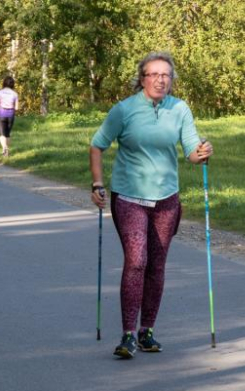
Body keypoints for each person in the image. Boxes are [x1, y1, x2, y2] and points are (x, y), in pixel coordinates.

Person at [89, 51, 213, 359]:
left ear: (172, 80)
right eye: (154, 74)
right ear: (142, 79)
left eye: (166, 75)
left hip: (166, 199)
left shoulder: (180, 109)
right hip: (129, 197)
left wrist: (204, 152)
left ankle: (147, 331)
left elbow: (191, 153)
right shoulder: (124, 110)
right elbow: (97, 145)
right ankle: (128, 334)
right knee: (137, 260)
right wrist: (97, 184)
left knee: (157, 265)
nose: (160, 80)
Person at [0, 76, 19, 157]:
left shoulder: (0, 92)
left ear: (4, 83)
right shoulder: (15, 94)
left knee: (1, 134)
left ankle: (5, 148)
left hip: (1, 114)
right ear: (12, 84)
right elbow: (17, 108)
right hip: (11, 115)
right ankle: (6, 149)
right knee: (7, 134)